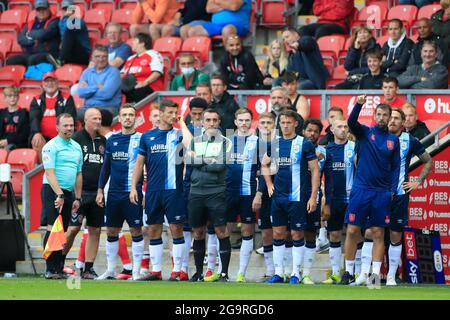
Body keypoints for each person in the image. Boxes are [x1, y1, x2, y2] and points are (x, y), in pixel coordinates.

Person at [340, 96, 400, 286]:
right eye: (379, 114)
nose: (382, 118)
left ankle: (374, 277)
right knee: (352, 230)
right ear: (374, 116)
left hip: (382, 192)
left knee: (378, 233)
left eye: (385, 115)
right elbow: (350, 122)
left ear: (390, 118)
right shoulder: (365, 133)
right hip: (361, 189)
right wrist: (359, 104)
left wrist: (392, 189)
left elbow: (396, 167)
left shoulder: (393, 140)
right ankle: (348, 273)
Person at [130, 100, 192, 281]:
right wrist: (134, 187)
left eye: (176, 112)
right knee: (153, 229)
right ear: (162, 114)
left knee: (176, 229)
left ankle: (177, 270)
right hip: (153, 191)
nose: (174, 115)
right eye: (171, 112)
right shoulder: (147, 137)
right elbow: (139, 164)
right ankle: (156, 271)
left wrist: (181, 123)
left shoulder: (180, 135)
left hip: (174, 190)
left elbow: (191, 145)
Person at [262, 109, 320, 284]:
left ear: (295, 123)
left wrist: (313, 196)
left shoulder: (305, 143)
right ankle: (279, 273)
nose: (285, 125)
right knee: (278, 233)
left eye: (289, 122)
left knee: (296, 233)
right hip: (278, 197)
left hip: (297, 197)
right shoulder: (275, 143)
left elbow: (315, 170)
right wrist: (269, 185)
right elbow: (264, 164)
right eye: (283, 122)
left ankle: (296, 273)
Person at [95, 104, 144, 281]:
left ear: (136, 118)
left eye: (131, 115)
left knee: (136, 230)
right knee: (111, 231)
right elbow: (106, 168)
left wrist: (143, 190)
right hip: (114, 193)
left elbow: (147, 167)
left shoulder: (141, 139)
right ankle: (110, 269)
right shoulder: (112, 140)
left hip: (133, 193)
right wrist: (100, 190)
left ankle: (137, 271)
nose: (128, 118)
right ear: (120, 118)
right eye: (124, 115)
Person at [384, 108, 433, 286]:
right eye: (391, 117)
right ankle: (369, 275)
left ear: (403, 122)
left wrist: (418, 181)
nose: (392, 121)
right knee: (373, 232)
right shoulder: (376, 137)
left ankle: (391, 276)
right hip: (376, 194)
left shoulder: (410, 140)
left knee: (395, 233)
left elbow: (428, 160)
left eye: (397, 118)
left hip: (399, 195)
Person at [186, 108, 233, 282]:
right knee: (198, 232)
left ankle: (224, 273)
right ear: (203, 122)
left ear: (219, 122)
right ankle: (198, 273)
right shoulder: (195, 141)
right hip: (196, 191)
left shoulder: (226, 142)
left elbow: (219, 166)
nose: (211, 123)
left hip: (216, 192)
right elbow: (188, 161)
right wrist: (208, 160)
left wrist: (200, 159)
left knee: (221, 230)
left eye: (215, 120)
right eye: (208, 120)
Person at [63, 108, 105, 280]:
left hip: (98, 193)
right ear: (85, 120)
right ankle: (58, 263)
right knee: (72, 229)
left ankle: (88, 268)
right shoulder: (76, 140)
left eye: (100, 118)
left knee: (95, 230)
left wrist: (102, 190)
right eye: (94, 118)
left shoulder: (103, 141)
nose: (98, 121)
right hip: (79, 193)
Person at [41, 113, 82, 279]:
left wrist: (77, 198)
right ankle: (50, 268)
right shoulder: (51, 146)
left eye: (71, 125)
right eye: (65, 125)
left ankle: (58, 267)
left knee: (63, 230)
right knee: (53, 228)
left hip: (68, 193)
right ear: (57, 127)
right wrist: (59, 194)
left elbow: (79, 174)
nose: (69, 128)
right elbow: (49, 173)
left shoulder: (76, 147)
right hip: (52, 191)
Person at [224, 108, 260, 283]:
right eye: (241, 120)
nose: (244, 123)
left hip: (248, 193)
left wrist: (259, 194)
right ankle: (221, 271)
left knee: (247, 231)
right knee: (224, 231)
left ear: (251, 122)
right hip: (228, 193)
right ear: (235, 122)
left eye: (247, 120)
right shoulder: (227, 141)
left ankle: (241, 273)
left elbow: (265, 169)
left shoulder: (258, 142)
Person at [321, 116, 356, 284]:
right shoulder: (326, 150)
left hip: (353, 200)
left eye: (346, 127)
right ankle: (335, 273)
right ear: (332, 130)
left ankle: (352, 272)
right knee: (334, 235)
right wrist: (324, 201)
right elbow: (319, 176)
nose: (343, 129)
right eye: (339, 127)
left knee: (354, 233)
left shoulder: (355, 148)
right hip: (334, 201)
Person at [30, 72, 77, 162]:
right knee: (37, 140)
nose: (50, 83)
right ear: (42, 84)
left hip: (62, 135)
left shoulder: (67, 98)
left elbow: (69, 118)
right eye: (47, 81)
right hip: (43, 136)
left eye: (52, 81)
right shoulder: (37, 100)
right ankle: (44, 170)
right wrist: (37, 132)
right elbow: (34, 118)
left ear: (57, 82)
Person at [300, 118, 326, 284]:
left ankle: (306, 274)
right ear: (303, 131)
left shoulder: (323, 152)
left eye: (316, 131)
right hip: (295, 195)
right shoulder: (296, 146)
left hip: (313, 196)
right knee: (290, 233)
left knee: (310, 233)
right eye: (309, 130)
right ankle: (290, 272)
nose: (312, 133)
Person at [252, 112, 277, 280]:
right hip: (261, 193)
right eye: (263, 122)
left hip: (278, 192)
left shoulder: (279, 144)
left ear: (274, 125)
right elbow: (256, 171)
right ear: (258, 125)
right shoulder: (253, 145)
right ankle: (270, 269)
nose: (266, 125)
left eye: (269, 122)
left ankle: (285, 268)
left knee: (283, 231)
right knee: (266, 232)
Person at [6, 0, 60, 67]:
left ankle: (30, 76)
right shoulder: (31, 23)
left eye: (44, 9)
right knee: (11, 60)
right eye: (38, 10)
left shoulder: (54, 21)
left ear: (48, 9)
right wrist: (32, 41)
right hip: (29, 54)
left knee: (32, 60)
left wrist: (29, 34)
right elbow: (20, 38)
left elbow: (44, 34)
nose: (41, 12)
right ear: (35, 11)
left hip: (47, 54)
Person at [77, 45, 122, 120]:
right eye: (97, 56)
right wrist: (97, 87)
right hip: (88, 108)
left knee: (94, 116)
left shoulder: (114, 72)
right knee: (71, 114)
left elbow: (106, 94)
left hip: (107, 109)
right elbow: (81, 93)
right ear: (92, 58)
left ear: (108, 57)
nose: (101, 59)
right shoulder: (87, 72)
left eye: (104, 56)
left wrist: (88, 89)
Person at [121, 33, 164, 103]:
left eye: (135, 40)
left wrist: (145, 82)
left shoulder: (153, 54)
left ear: (142, 43)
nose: (132, 42)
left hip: (149, 86)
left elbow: (157, 72)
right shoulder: (130, 58)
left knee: (138, 89)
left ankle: (141, 113)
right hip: (130, 86)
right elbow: (122, 74)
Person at [180, 0, 252, 40]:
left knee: (227, 30)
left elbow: (234, 6)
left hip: (237, 25)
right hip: (216, 25)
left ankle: (228, 59)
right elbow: (209, 8)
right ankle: (196, 61)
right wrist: (227, 4)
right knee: (193, 31)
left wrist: (217, 1)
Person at [54, 0, 91, 66]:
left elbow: (69, 27)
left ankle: (60, 60)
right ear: (62, 11)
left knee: (69, 31)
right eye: (65, 9)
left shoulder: (79, 21)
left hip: (83, 54)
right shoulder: (60, 23)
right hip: (68, 53)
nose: (67, 11)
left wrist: (66, 17)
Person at [0, 86, 30, 150]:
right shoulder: (1, 113)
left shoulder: (24, 113)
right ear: (5, 98)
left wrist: (8, 141)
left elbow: (25, 134)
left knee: (6, 149)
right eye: (10, 96)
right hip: (2, 143)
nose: (12, 98)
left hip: (17, 144)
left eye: (15, 96)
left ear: (18, 97)